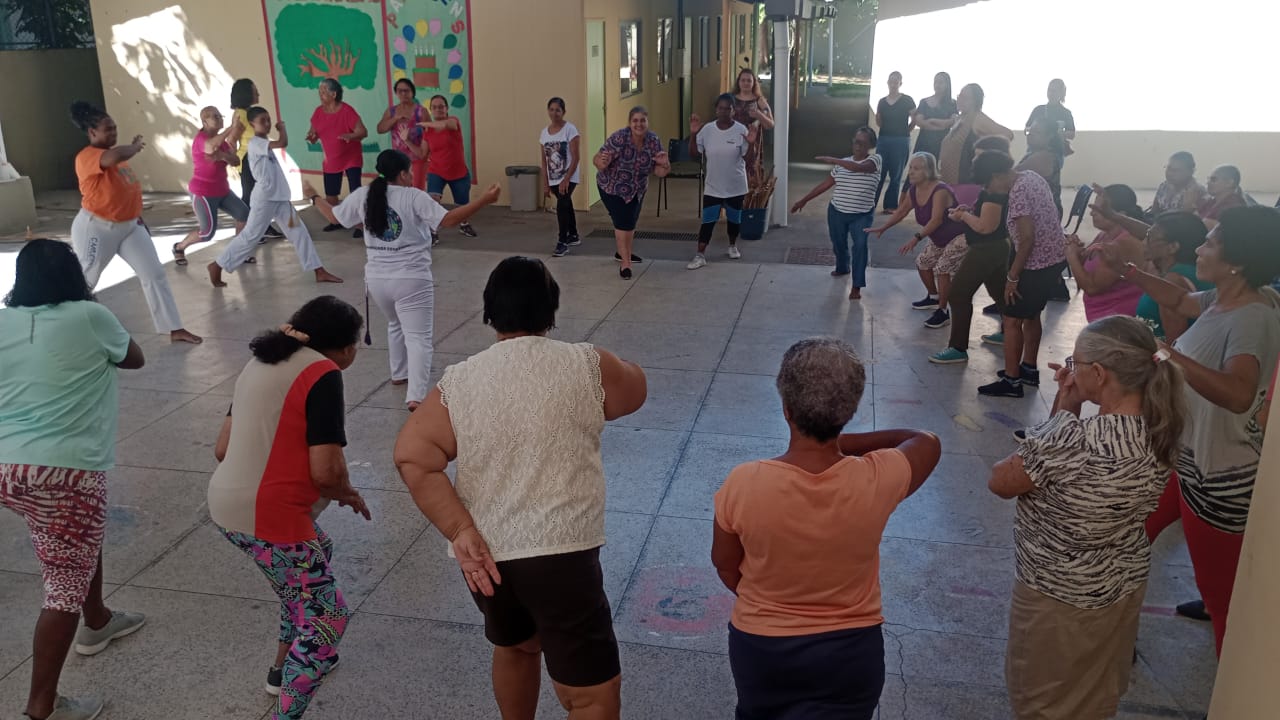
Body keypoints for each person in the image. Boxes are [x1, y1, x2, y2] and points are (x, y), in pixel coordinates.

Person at [394, 256, 648, 720]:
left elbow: (413, 456)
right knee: (592, 693)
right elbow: (635, 390)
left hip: (486, 559)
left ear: (490, 313)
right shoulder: (586, 364)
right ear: (551, 309)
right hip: (562, 557)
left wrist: (459, 530)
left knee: (516, 647)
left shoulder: (459, 381)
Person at [712, 337, 941, 720]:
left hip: (762, 648)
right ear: (848, 412)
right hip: (851, 654)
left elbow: (724, 565)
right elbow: (924, 441)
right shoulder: (877, 477)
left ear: (786, 409)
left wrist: (767, 600)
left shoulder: (744, 482)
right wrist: (835, 441)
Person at [989, 316, 1187, 720]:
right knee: (1096, 694)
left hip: (1058, 596)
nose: (1071, 368)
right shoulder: (1161, 425)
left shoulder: (1075, 439)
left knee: (1043, 704)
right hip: (1121, 583)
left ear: (1098, 373)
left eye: (1075, 362)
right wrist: (1070, 409)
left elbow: (1002, 481)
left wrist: (1064, 411)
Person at [1103, 206, 1280, 655]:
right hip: (1188, 460)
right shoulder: (1229, 298)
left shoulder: (1251, 318)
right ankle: (1113, 631)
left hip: (1220, 477)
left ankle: (1229, 698)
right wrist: (1127, 271)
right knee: (1129, 529)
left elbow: (1239, 393)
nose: (1200, 249)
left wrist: (1166, 354)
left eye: (1211, 243)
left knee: (1224, 602)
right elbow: (1181, 301)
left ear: (1237, 259)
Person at [0, 239, 149, 720]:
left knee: (76, 539)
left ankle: (99, 619)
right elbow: (134, 357)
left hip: (6, 468)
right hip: (65, 472)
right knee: (63, 579)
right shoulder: (89, 317)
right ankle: (42, 707)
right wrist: (91, 305)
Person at [209, 296, 371, 718]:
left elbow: (222, 448)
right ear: (347, 348)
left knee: (315, 557)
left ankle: (282, 668)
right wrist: (348, 492)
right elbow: (326, 470)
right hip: (269, 515)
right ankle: (287, 712)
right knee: (329, 616)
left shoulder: (260, 363)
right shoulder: (323, 372)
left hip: (226, 505)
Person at [305, 150, 501, 410]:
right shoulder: (413, 197)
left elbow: (334, 217)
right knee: (418, 338)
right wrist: (484, 200)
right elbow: (449, 220)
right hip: (411, 278)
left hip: (377, 280)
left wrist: (314, 196)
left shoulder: (364, 194)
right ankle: (416, 396)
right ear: (402, 174)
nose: (412, 176)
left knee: (396, 324)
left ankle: (399, 374)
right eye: (410, 171)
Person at [67, 101, 202, 345]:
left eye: (114, 128)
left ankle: (174, 328)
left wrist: (138, 218)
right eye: (107, 129)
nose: (113, 132)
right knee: (86, 278)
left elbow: (126, 190)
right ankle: (67, 328)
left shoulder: (119, 158)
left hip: (129, 226)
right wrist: (135, 146)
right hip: (97, 227)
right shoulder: (88, 157)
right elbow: (115, 155)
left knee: (154, 273)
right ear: (92, 133)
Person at [206, 107, 343, 288]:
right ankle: (218, 265)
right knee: (251, 236)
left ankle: (318, 270)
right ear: (253, 124)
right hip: (265, 200)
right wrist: (282, 128)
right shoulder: (256, 143)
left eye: (268, 119)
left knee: (299, 232)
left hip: (280, 200)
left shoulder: (264, 144)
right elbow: (282, 142)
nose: (268, 123)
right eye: (263, 120)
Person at [976, 151, 1067, 398]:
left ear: (997, 175)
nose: (989, 189)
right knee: (1032, 314)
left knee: (1012, 319)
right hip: (1054, 258)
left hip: (1035, 263)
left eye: (988, 183)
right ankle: (1028, 368)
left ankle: (1012, 381)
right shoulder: (1030, 176)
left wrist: (1012, 278)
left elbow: (1027, 240)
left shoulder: (1017, 193)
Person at [867, 152, 968, 328]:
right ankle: (934, 297)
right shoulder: (914, 190)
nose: (911, 172)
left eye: (916, 169)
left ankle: (943, 312)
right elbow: (901, 211)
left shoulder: (940, 190)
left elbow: (936, 220)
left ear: (928, 171)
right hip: (940, 238)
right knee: (923, 263)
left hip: (960, 236)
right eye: (911, 168)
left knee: (942, 268)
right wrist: (884, 227)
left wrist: (916, 238)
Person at [929, 155, 1013, 365]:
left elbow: (986, 226)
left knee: (958, 294)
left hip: (987, 249)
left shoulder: (995, 195)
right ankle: (1008, 330)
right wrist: (967, 212)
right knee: (998, 291)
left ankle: (958, 347)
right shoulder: (991, 193)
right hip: (993, 248)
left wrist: (963, 217)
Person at [791, 127, 883, 300]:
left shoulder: (875, 160)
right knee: (838, 243)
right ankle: (842, 267)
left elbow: (859, 168)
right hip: (837, 212)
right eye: (856, 141)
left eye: (863, 143)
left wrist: (834, 160)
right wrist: (804, 200)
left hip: (862, 215)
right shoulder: (843, 164)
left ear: (871, 145)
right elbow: (826, 184)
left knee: (860, 247)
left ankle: (857, 286)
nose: (858, 146)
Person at [594, 106, 671, 279]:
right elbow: (597, 160)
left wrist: (665, 164)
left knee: (630, 222)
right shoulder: (619, 138)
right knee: (624, 222)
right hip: (612, 186)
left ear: (647, 122)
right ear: (629, 123)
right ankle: (626, 264)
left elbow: (660, 173)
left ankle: (622, 252)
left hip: (636, 189)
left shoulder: (653, 141)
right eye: (635, 120)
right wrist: (602, 162)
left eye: (642, 120)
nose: (639, 124)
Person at [172, 106, 251, 266]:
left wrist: (223, 155)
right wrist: (231, 128)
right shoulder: (202, 139)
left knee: (243, 213)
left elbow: (235, 160)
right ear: (204, 122)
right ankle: (179, 247)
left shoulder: (220, 142)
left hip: (222, 190)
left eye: (219, 115)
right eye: (214, 116)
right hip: (203, 193)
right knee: (207, 233)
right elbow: (210, 147)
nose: (219, 118)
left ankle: (237, 253)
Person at [687, 93, 759, 269]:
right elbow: (694, 154)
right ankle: (700, 255)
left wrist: (751, 143)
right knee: (708, 221)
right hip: (713, 186)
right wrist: (693, 134)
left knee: (734, 220)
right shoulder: (707, 130)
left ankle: (732, 245)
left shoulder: (741, 130)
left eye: (728, 108)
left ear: (733, 111)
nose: (724, 111)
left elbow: (749, 159)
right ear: (716, 109)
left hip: (735, 185)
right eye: (721, 108)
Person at [1064, 184, 1146, 322]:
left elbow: (1092, 287)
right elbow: (1085, 263)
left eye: (1099, 210)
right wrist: (1077, 250)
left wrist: (1071, 256)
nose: (1091, 213)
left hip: (1118, 321)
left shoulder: (1123, 244)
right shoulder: (1105, 235)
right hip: (1101, 316)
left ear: (1121, 215)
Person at [1134, 212, 1213, 342]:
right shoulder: (1194, 272)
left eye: (1149, 236)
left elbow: (1174, 345)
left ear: (1172, 247)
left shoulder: (1173, 280)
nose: (1143, 242)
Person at [306, 78, 367, 239]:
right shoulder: (318, 112)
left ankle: (361, 224)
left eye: (324, 92)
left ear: (334, 94)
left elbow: (363, 132)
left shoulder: (347, 111)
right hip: (331, 158)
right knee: (331, 193)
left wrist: (351, 136)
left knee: (355, 192)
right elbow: (313, 132)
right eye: (320, 92)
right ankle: (336, 221)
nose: (321, 95)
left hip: (351, 157)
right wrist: (312, 137)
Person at [229, 78, 284, 241]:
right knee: (250, 196)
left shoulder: (247, 112)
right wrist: (231, 162)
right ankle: (248, 231)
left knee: (260, 195)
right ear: (246, 94)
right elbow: (232, 139)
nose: (258, 93)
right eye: (254, 91)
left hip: (256, 156)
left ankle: (263, 227)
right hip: (248, 159)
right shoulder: (242, 114)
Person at [419, 94, 479, 241]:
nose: (438, 109)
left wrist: (424, 124)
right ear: (431, 109)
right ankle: (433, 232)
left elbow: (445, 125)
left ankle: (464, 224)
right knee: (433, 200)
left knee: (462, 206)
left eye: (441, 107)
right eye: (434, 107)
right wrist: (406, 139)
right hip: (436, 171)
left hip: (458, 172)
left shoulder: (454, 122)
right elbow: (422, 154)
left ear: (447, 108)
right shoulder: (428, 131)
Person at [939, 84, 1014, 186]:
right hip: (949, 182)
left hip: (965, 184)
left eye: (964, 97)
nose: (960, 100)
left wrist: (985, 148)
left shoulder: (977, 118)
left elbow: (1008, 134)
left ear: (975, 101)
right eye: (959, 96)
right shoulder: (960, 119)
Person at [541, 97, 583, 257]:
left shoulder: (570, 130)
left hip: (568, 176)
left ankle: (562, 241)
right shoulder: (544, 133)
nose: (554, 113)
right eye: (551, 109)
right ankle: (573, 234)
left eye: (558, 110)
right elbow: (543, 161)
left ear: (563, 112)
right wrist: (545, 183)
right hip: (553, 177)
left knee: (562, 205)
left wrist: (566, 179)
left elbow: (576, 157)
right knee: (565, 204)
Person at [874, 71, 916, 214]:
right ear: (887, 82)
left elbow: (914, 118)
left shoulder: (907, 100)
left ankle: (890, 206)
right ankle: (870, 203)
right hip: (884, 139)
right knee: (879, 173)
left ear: (900, 83)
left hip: (900, 141)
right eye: (890, 81)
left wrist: (906, 131)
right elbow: (878, 121)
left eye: (896, 81)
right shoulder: (881, 101)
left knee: (896, 175)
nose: (893, 84)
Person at [376, 78, 429, 190]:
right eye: (400, 91)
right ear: (396, 93)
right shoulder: (392, 111)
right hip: (398, 161)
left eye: (407, 90)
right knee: (398, 191)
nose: (403, 93)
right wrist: (395, 118)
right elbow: (380, 129)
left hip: (417, 159)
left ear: (412, 92)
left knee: (417, 191)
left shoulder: (421, 111)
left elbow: (430, 133)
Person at [731, 69, 774, 186]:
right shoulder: (731, 99)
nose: (745, 83)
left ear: (754, 83)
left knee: (750, 175)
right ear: (738, 82)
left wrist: (759, 115)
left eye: (749, 81)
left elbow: (770, 124)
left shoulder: (759, 100)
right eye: (743, 80)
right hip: (732, 140)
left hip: (752, 143)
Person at [1017, 116, 1066, 218]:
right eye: (1030, 131)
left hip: (1045, 213)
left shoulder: (1044, 157)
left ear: (1050, 136)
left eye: (1037, 132)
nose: (1030, 135)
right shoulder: (1034, 152)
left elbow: (1010, 176)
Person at [1024, 79, 1076, 155]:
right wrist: (1035, 131)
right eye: (1049, 90)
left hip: (1055, 151)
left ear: (1061, 93)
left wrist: (1057, 133)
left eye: (1054, 91)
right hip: (1035, 150)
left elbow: (1072, 134)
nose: (1051, 93)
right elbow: (1026, 129)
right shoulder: (1038, 109)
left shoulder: (1066, 113)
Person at [912, 72, 957, 160]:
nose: (937, 85)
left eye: (940, 82)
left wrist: (932, 120)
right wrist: (942, 125)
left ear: (947, 84)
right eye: (935, 82)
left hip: (942, 143)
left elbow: (953, 121)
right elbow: (919, 121)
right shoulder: (924, 101)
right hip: (923, 142)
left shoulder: (952, 103)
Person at [1146, 152, 1205, 219]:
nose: (1170, 173)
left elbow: (1190, 222)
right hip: (1157, 224)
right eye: (1169, 168)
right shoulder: (1164, 186)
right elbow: (1153, 211)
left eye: (1176, 170)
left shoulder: (1198, 191)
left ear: (1191, 172)